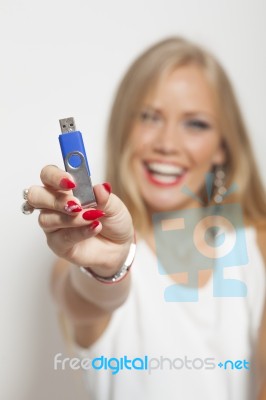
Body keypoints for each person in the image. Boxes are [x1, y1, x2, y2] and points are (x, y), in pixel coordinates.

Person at [24, 37, 266, 399]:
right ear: (125, 129)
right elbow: (84, 296)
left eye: (195, 124)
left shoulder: (257, 247)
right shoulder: (83, 251)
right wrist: (108, 268)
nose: (167, 143)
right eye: (150, 117)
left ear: (222, 147)